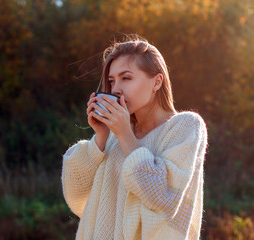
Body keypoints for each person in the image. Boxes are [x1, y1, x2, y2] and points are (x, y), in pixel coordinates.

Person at [61, 35, 208, 240]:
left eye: (126, 78)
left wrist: (124, 134)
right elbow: (77, 195)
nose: (116, 89)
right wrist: (101, 138)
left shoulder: (185, 126)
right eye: (112, 81)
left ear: (156, 82)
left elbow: (162, 197)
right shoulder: (115, 134)